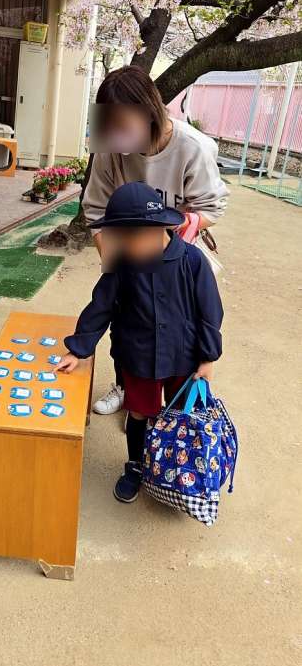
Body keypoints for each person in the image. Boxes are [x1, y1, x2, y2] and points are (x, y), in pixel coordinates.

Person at [56, 182, 223, 503]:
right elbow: (101, 306)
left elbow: (209, 311)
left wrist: (208, 357)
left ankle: (177, 470)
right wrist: (78, 349)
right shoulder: (122, 264)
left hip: (183, 358)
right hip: (139, 357)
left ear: (157, 229)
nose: (124, 245)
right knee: (139, 413)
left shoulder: (192, 261)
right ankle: (136, 465)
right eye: (119, 238)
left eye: (130, 238)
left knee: (181, 415)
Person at [83, 65, 228, 415]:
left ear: (149, 112)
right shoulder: (110, 143)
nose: (115, 136)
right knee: (128, 324)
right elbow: (95, 207)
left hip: (174, 252)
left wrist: (174, 231)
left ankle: (174, 406)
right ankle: (128, 387)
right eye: (110, 126)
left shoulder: (193, 147)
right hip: (128, 251)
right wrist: (115, 263)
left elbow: (213, 207)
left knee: (177, 329)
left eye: (123, 126)